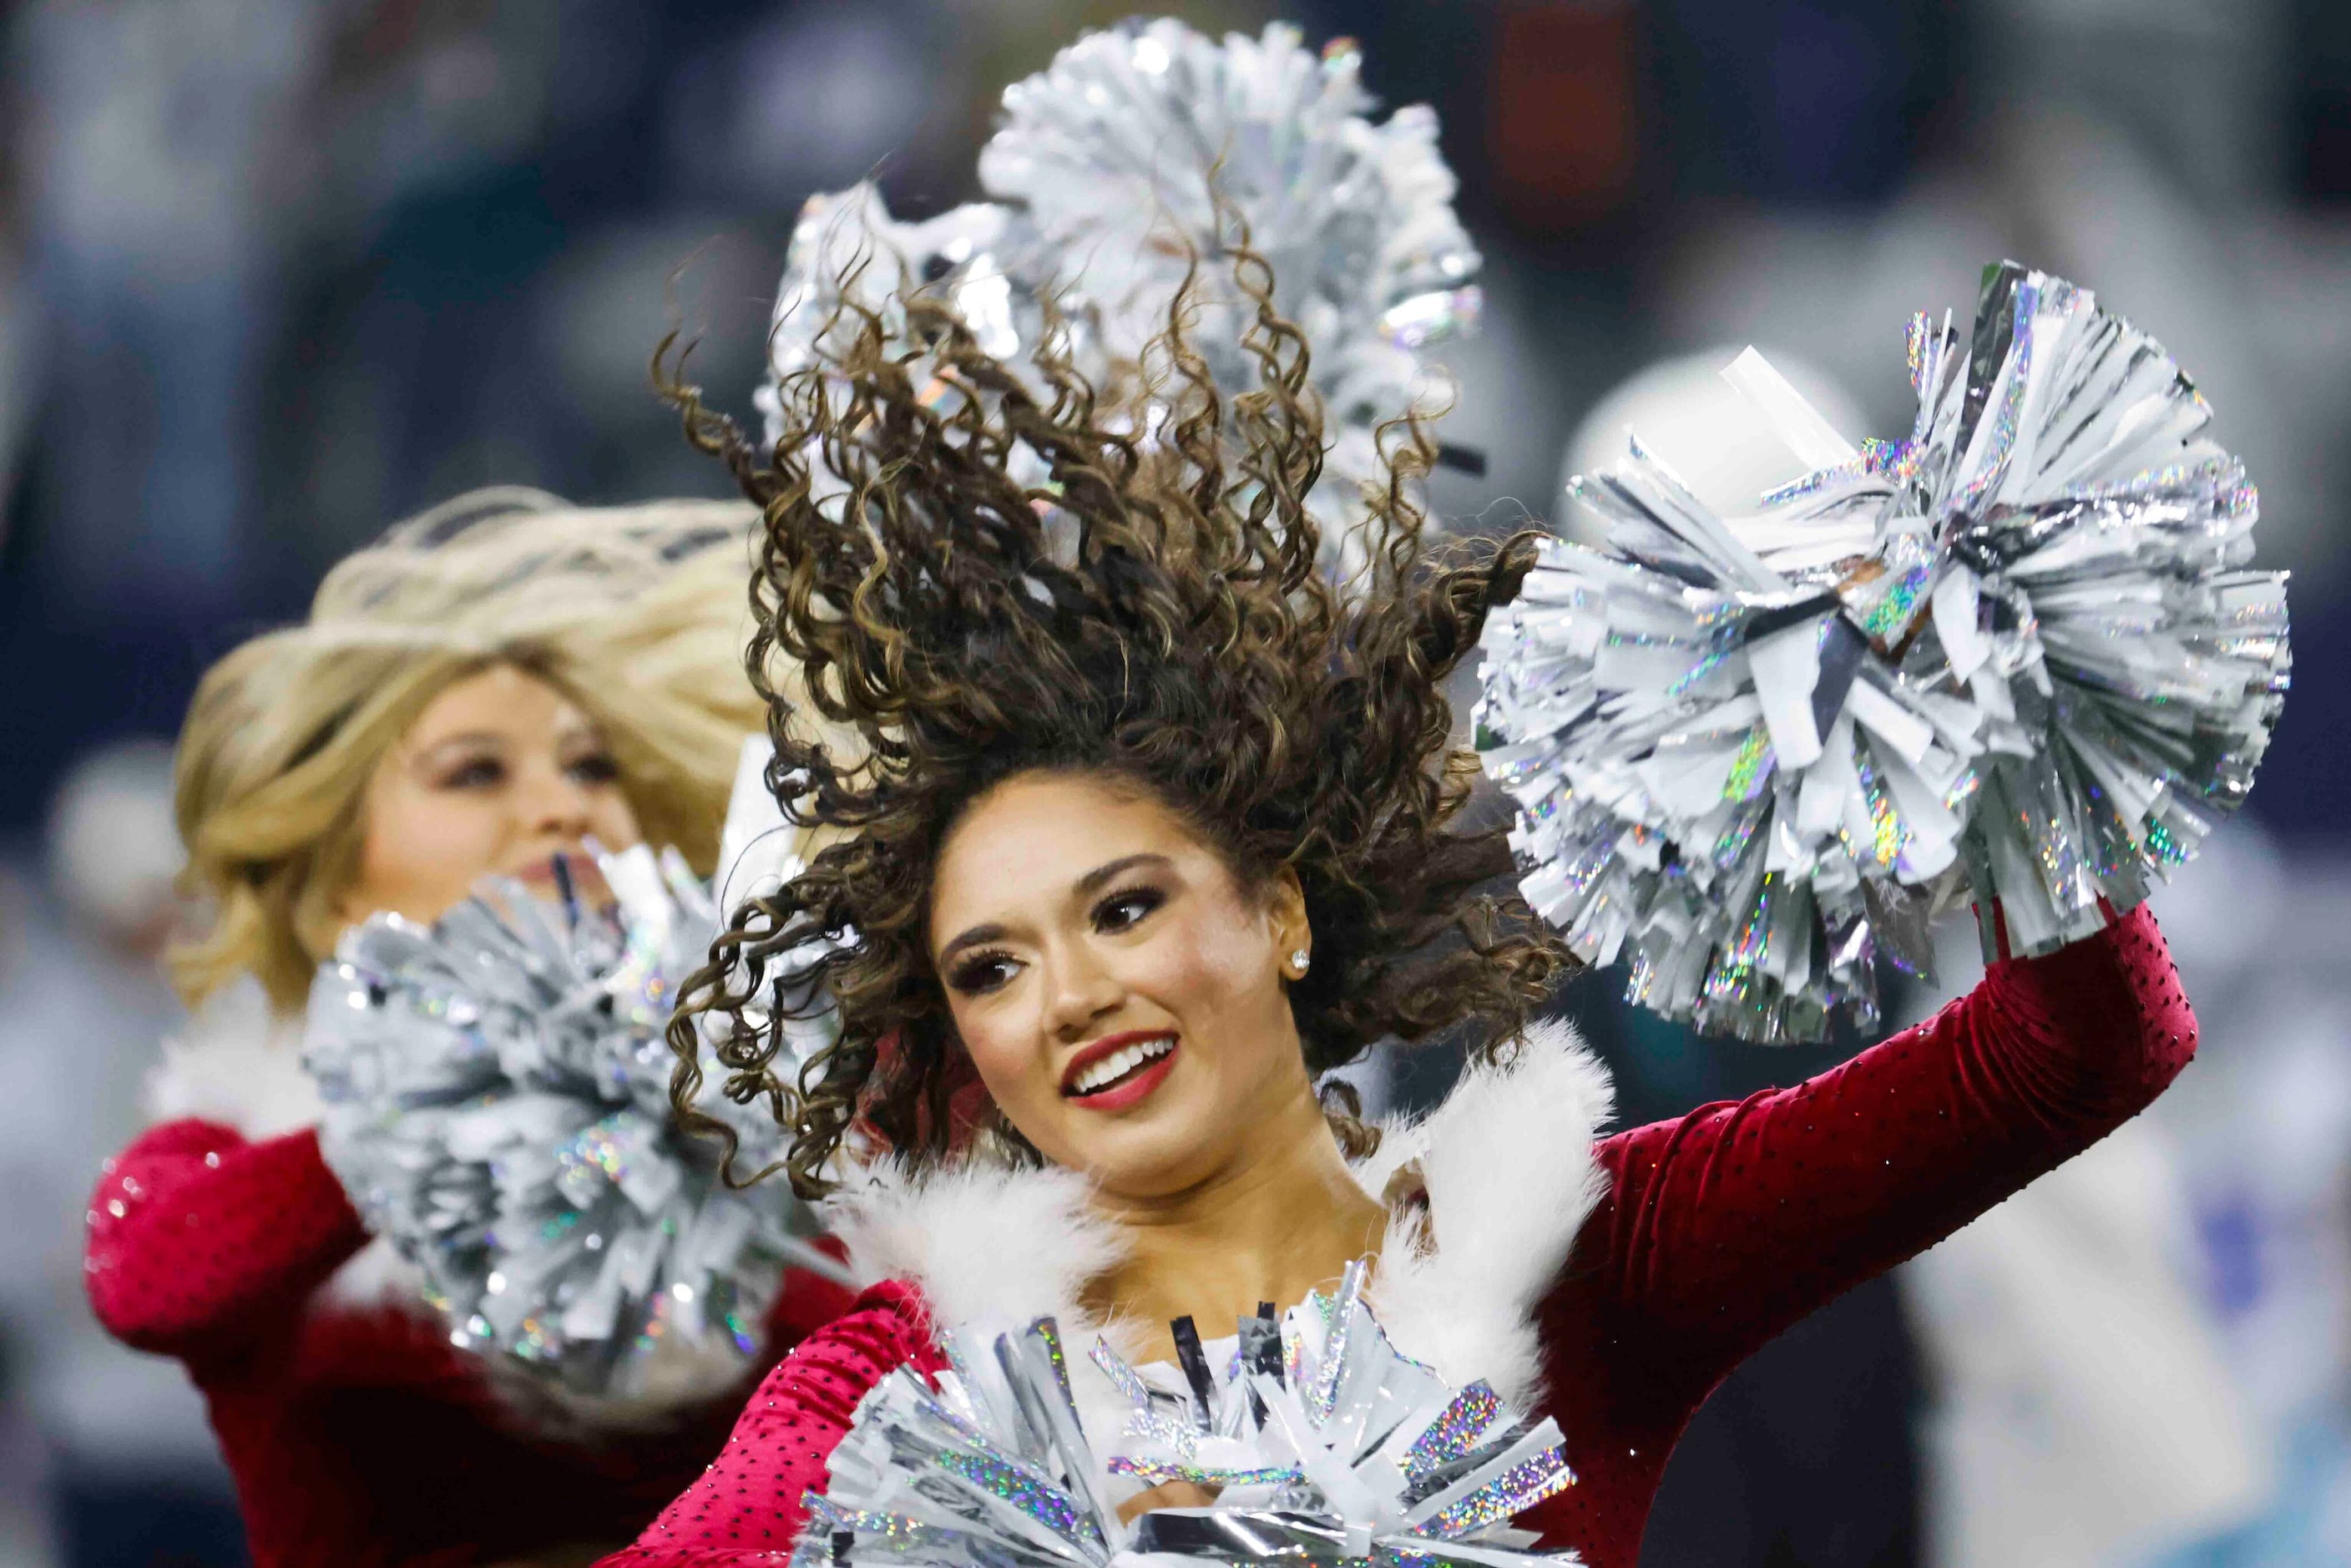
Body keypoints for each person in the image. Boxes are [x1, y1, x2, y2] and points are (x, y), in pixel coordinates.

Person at [603, 247, 2203, 1568]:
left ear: (1282, 912)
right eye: (992, 965)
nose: (1070, 993)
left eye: (1126, 906)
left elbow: (2083, 1051)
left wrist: (1993, 728)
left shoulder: (1580, 1258)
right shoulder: (909, 1385)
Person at [82, 488, 857, 1568]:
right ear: (335, 881)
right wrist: (441, 1109)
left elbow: (883, 1372)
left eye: (591, 766)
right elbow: (150, 1280)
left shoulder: (764, 1125)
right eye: (476, 771)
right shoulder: (234, 1137)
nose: (562, 804)